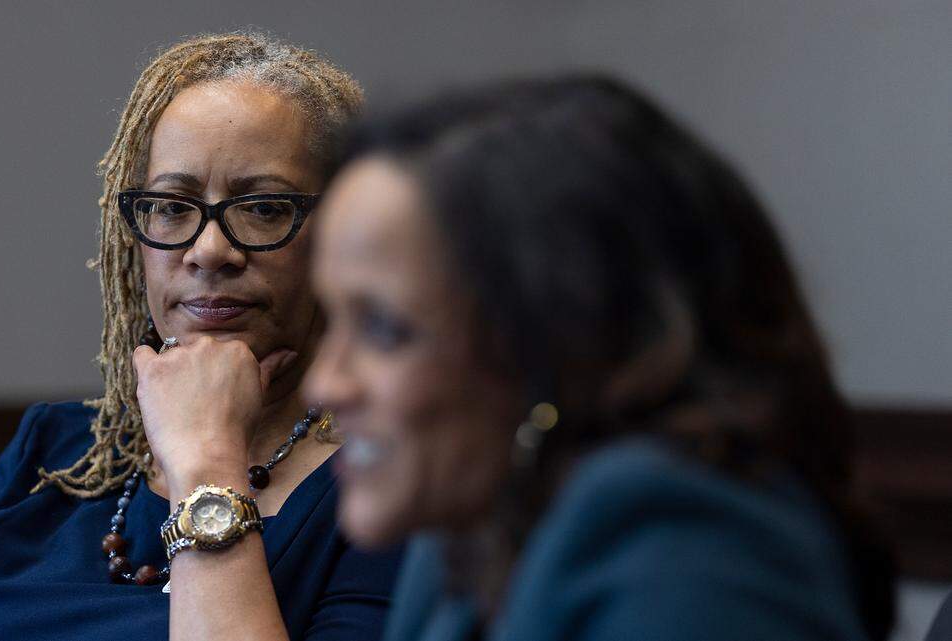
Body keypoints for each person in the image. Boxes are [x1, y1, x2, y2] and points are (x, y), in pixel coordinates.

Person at [303, 75, 895, 640]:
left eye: (383, 330)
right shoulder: (466, 533)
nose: (324, 384)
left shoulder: (681, 545)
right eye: (332, 320)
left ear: (561, 339)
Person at [0, 33, 403, 641]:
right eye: (171, 206)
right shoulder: (57, 454)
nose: (209, 250)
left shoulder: (389, 485)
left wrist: (207, 461)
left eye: (264, 207)